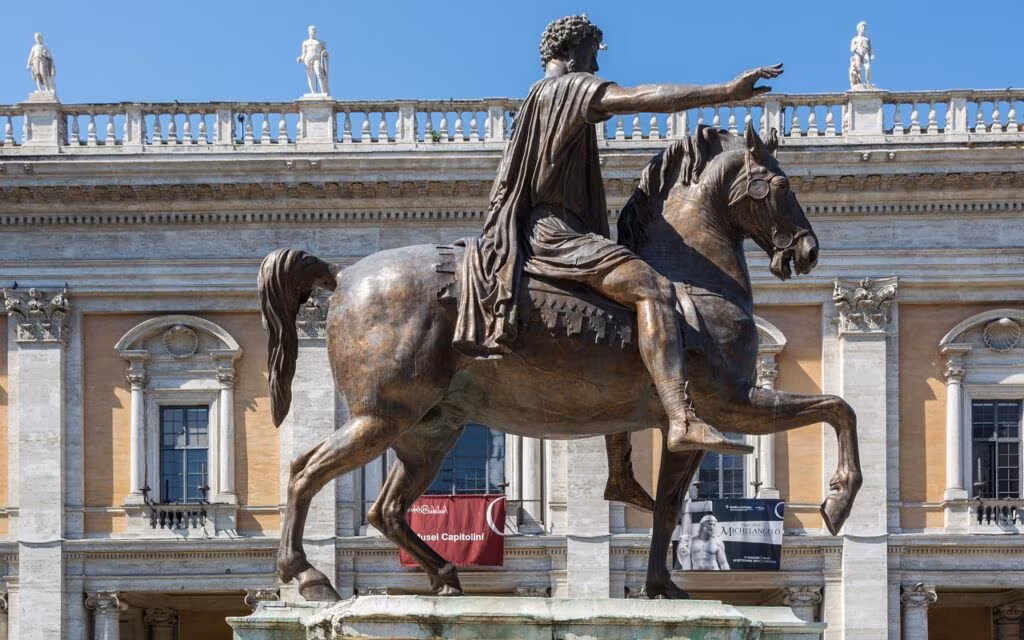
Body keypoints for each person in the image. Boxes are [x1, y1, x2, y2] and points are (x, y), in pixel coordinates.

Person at [454, 14, 781, 455]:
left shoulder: (535, 98)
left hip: (538, 229)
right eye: (592, 54)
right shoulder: (569, 89)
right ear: (571, 52)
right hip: (555, 233)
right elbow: (641, 98)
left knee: (616, 326)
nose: (596, 65)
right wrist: (725, 92)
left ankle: (621, 471)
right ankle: (682, 417)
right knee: (653, 290)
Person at [297, 25, 330, 95]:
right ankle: (313, 92)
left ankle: (323, 92)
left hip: (317, 58)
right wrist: (300, 58)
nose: (314, 31)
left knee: (319, 74)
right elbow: (304, 54)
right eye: (312, 29)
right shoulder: (305, 42)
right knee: (310, 76)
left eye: (314, 29)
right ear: (309, 31)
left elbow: (325, 52)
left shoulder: (320, 42)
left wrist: (325, 54)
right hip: (308, 59)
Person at [849, 21, 873, 88]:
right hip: (857, 53)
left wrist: (871, 54)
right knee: (858, 69)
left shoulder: (867, 39)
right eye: (862, 27)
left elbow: (870, 48)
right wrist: (855, 49)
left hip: (865, 53)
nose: (864, 28)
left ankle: (868, 83)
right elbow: (851, 49)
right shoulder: (854, 39)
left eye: (864, 27)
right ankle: (859, 84)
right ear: (859, 28)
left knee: (867, 67)